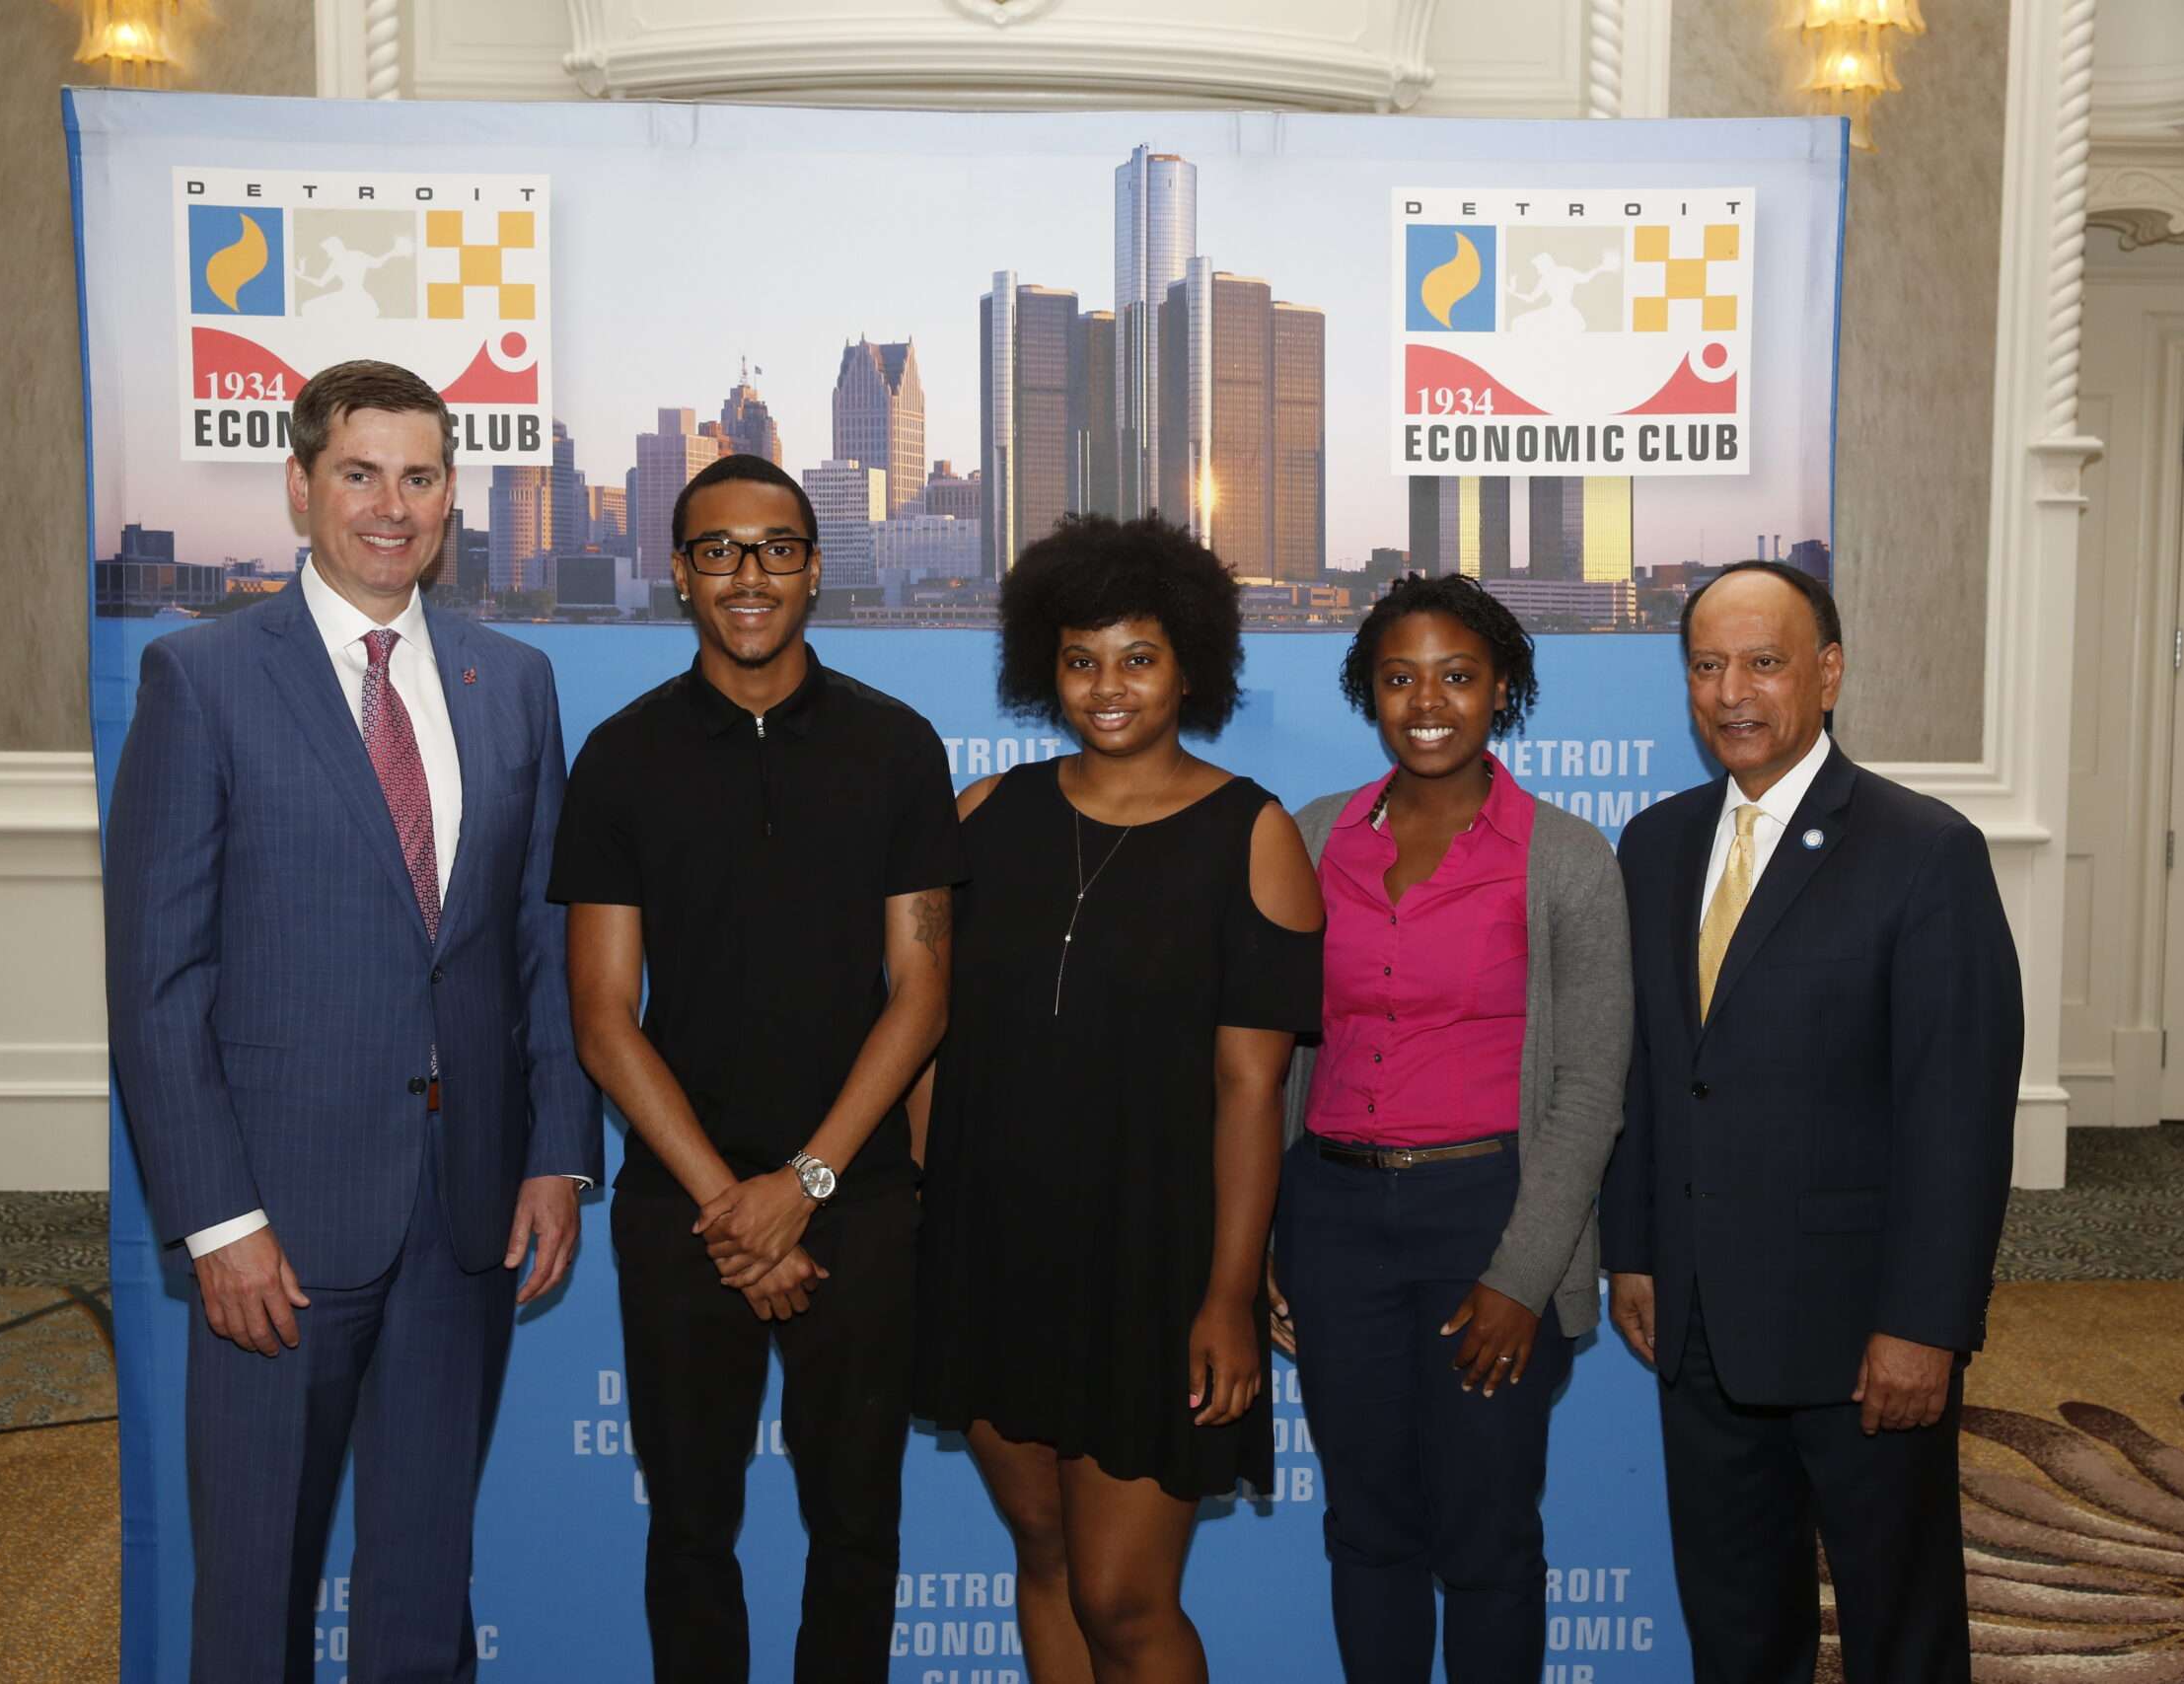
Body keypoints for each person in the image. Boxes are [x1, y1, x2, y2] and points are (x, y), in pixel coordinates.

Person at [105, 358, 601, 1682]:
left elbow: (541, 941)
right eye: (361, 473)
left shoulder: (515, 678)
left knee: (426, 1581)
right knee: (254, 1587)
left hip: (467, 1207)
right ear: (300, 485)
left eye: (420, 477)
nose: (392, 506)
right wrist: (218, 1219)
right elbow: (157, 977)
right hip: (275, 1221)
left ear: (451, 495)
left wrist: (557, 1151)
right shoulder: (201, 677)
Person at [550, 452, 961, 1684]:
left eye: (775, 548)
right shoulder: (621, 758)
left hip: (860, 1201)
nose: (748, 574)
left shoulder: (896, 747)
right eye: (717, 550)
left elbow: (923, 992)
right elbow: (602, 1017)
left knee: (857, 1532)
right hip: (686, 1210)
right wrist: (735, 1206)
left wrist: (806, 1185)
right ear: (679, 574)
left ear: (814, 569)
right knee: (689, 1535)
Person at [913, 514, 1323, 1684]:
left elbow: (1252, 1089)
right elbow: (925, 1035)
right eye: (1081, 659)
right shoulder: (983, 814)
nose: (1108, 687)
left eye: (1138, 658)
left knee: (1124, 1598)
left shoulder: (1252, 834)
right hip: (993, 1254)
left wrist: (1228, 1295)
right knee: (1043, 1554)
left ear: (1190, 666)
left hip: (1152, 1266)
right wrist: (933, 1211)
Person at [1598, 561, 2022, 1684]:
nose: (1731, 692)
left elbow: (1959, 1115)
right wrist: (1634, 1249)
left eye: (1764, 663)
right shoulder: (1654, 844)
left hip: (1860, 1334)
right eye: (1706, 665)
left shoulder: (1924, 850)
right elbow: (1648, 1072)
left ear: (1827, 675)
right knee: (1736, 1628)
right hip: (1696, 1321)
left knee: (1900, 1630)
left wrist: (1925, 1324)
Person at [1275, 574, 1632, 1681]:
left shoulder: (1566, 857)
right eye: (1400, 678)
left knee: (1485, 1538)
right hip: (1333, 1218)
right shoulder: (1312, 836)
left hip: (1490, 1219)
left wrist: (1523, 1277)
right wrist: (1268, 1240)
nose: (1427, 702)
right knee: (1366, 1527)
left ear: (1502, 689)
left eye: (1457, 676)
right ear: (1369, 694)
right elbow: (1273, 1056)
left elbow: (1590, 1087)